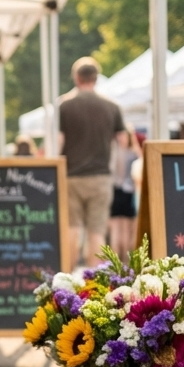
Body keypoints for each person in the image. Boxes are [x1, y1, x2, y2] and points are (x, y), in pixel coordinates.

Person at [58, 56, 128, 267]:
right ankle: (93, 282)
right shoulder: (112, 106)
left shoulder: (65, 105)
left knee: (73, 228)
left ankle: (67, 278)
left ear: (77, 78)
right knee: (97, 231)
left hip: (72, 176)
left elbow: (58, 142)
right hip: (100, 176)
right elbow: (123, 141)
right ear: (96, 78)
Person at [108, 127, 142, 262]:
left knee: (124, 231)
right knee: (118, 231)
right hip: (121, 192)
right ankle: (120, 262)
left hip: (124, 193)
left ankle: (122, 262)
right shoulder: (128, 153)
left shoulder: (118, 153)